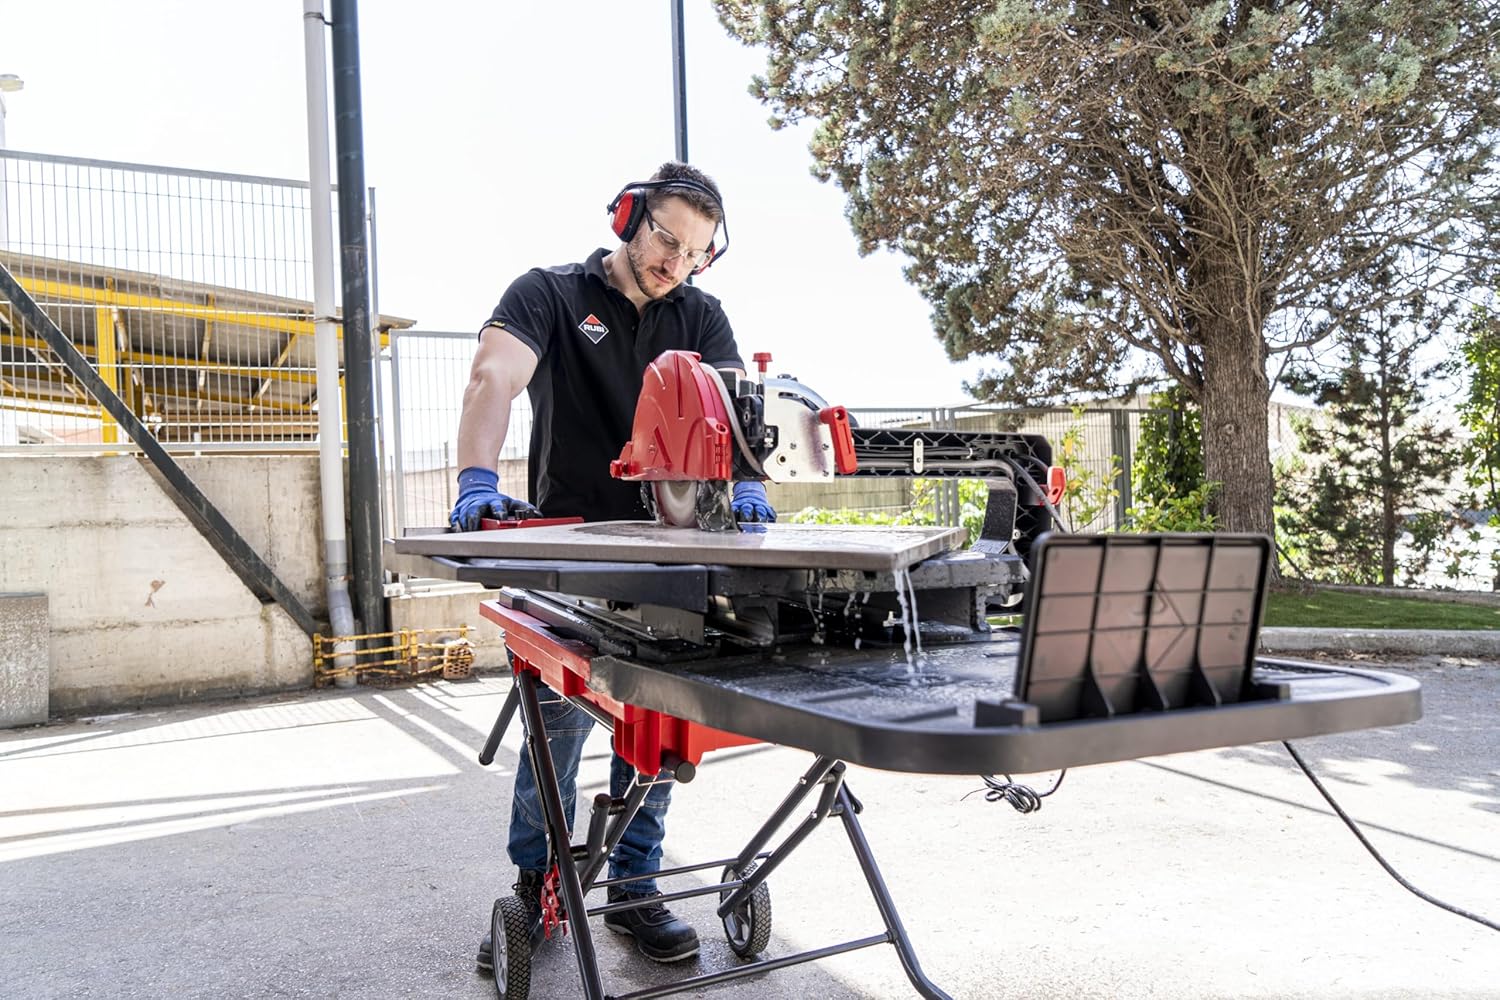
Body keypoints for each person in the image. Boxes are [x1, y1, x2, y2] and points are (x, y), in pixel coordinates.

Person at [450, 162, 775, 968]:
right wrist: (476, 479)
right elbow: (494, 374)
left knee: (657, 727)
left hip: (671, 556)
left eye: (696, 253)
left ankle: (634, 887)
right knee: (556, 728)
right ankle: (540, 889)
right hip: (570, 555)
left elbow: (738, 412)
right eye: (667, 239)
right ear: (629, 217)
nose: (676, 262)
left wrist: (748, 486)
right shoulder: (550, 294)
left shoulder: (701, 316)